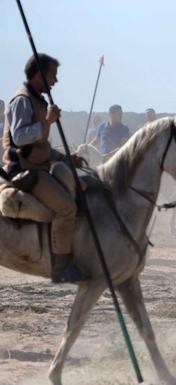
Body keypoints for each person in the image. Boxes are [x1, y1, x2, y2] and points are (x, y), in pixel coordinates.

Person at [2, 53, 88, 283]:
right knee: (67, 208)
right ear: (39, 75)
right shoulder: (22, 100)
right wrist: (47, 122)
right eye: (53, 75)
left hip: (38, 165)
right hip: (23, 170)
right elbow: (20, 138)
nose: (56, 81)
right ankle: (61, 266)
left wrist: (67, 158)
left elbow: (41, 148)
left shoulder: (38, 100)